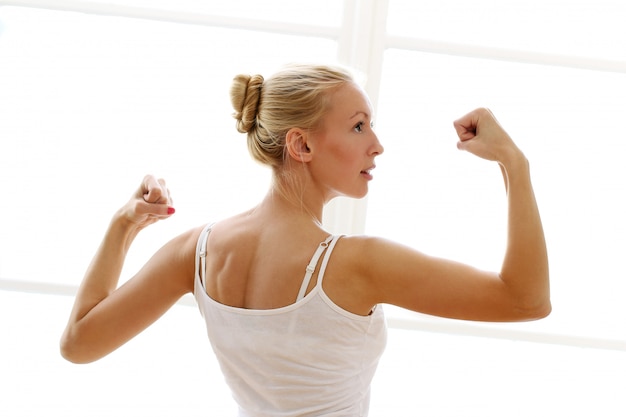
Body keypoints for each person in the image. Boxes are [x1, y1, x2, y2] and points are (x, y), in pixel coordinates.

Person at [60, 63, 550, 416]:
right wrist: (515, 164)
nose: (377, 144)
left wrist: (124, 224)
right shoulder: (358, 264)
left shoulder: (199, 251)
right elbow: (526, 300)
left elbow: (79, 344)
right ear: (301, 144)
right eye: (359, 126)